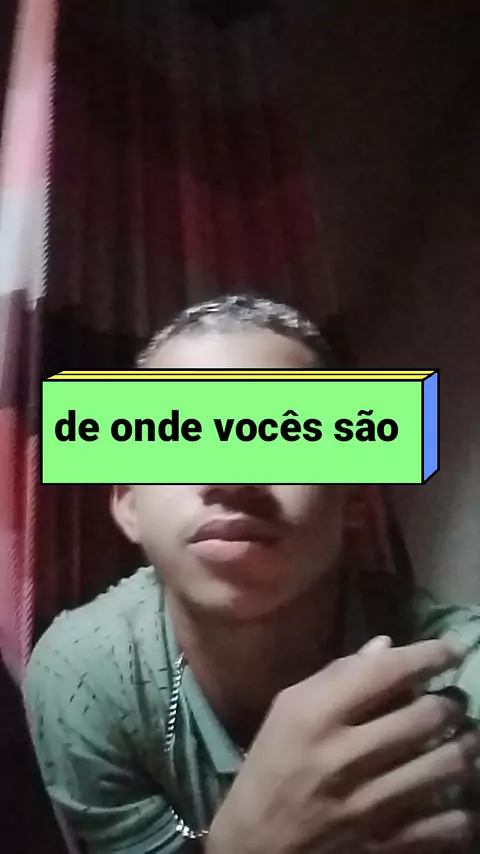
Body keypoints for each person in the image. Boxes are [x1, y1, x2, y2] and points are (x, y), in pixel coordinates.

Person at [24, 294, 480, 854]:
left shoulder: (461, 679)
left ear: (356, 494)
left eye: (289, 431)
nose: (233, 479)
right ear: (127, 500)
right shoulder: (82, 680)